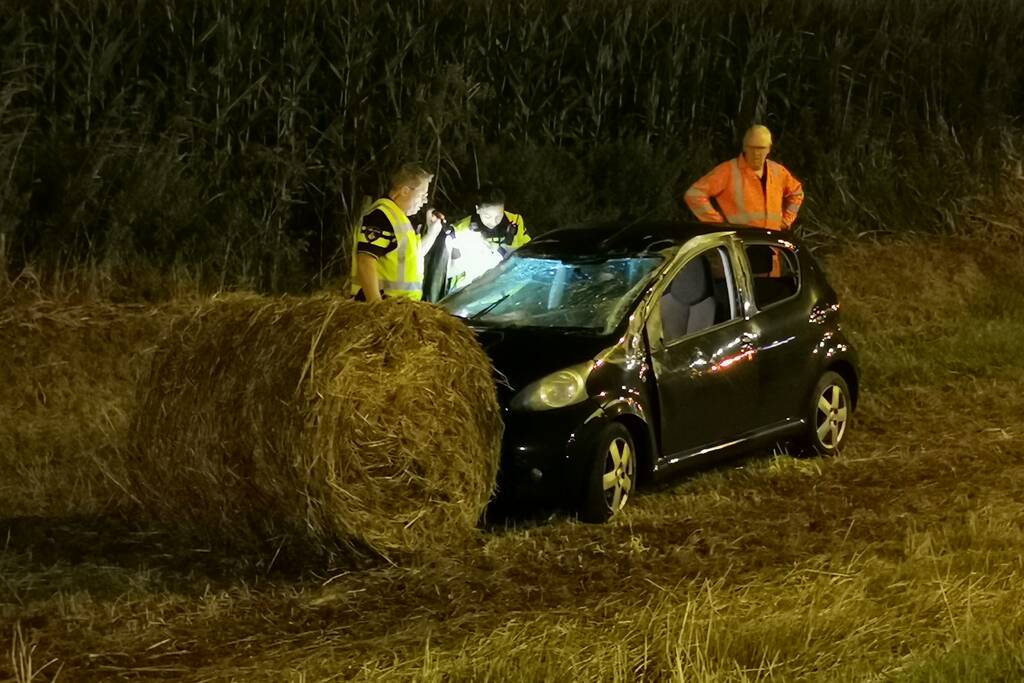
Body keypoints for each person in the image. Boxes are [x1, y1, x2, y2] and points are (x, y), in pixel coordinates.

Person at [351, 162, 444, 302]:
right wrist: (376, 306)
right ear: (405, 191)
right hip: (384, 308)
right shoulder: (381, 216)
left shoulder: (399, 219)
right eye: (422, 195)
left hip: (399, 310)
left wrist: (433, 232)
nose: (424, 201)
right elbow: (366, 260)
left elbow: (413, 257)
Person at [684, 124, 804, 231]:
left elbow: (797, 192)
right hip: (741, 245)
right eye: (752, 147)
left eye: (761, 148)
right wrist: (717, 224)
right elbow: (694, 194)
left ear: (768, 149)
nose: (756, 153)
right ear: (744, 147)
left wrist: (786, 221)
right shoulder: (728, 170)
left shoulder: (778, 172)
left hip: (771, 245)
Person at [423, 185, 529, 300]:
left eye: (499, 216)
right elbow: (450, 269)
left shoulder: (516, 221)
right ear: (477, 209)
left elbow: (527, 250)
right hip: (473, 295)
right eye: (487, 216)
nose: (493, 222)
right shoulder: (461, 230)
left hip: (509, 291)